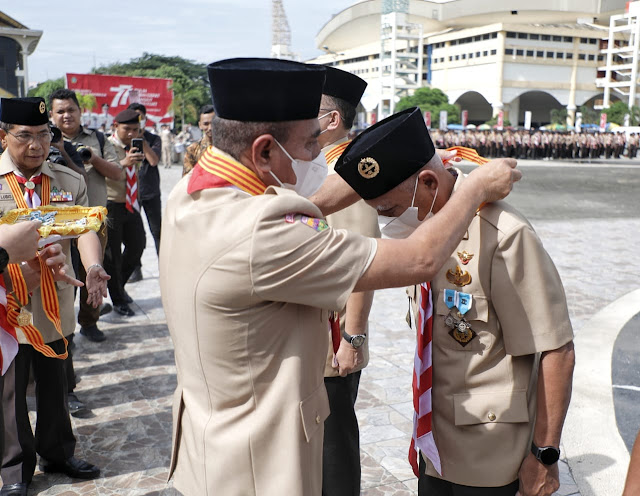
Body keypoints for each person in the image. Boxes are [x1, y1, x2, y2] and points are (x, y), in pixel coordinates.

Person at [159, 57, 521, 496]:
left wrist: (397, 161)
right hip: (258, 465)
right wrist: (476, 188)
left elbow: (302, 204)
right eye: (312, 144)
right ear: (266, 151)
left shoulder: (194, 192)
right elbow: (419, 259)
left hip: (212, 442)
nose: (318, 157)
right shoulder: (260, 234)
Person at [333, 107, 575, 496]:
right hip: (433, 444)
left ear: (428, 182)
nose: (385, 223)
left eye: (389, 211)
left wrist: (544, 455)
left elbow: (556, 350)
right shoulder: (422, 233)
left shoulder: (502, 235)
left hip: (490, 455)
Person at [0, 97, 109, 496]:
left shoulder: (69, 181)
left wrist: (93, 266)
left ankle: (58, 452)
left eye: (44, 136)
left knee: (54, 383)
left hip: (54, 302)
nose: (36, 146)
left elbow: (85, 230)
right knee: (10, 390)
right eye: (25, 136)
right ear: (3, 135)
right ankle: (14, 470)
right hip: (7, 305)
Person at [315, 66, 376, 496]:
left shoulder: (348, 172)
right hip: (311, 332)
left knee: (333, 449)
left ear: (332, 119)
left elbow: (363, 263)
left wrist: (351, 339)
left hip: (333, 338)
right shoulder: (318, 167)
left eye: (308, 112)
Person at [50, 88, 123, 342]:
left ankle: (90, 322)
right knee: (63, 276)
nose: (66, 115)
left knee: (93, 270)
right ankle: (63, 328)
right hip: (58, 223)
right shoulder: (42, 140)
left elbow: (117, 174)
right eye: (60, 111)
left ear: (80, 112)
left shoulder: (99, 138)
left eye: (71, 109)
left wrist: (92, 157)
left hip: (94, 219)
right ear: (51, 115)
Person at [104, 109, 147, 317]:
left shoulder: (135, 145)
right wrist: (123, 163)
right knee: (113, 257)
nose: (131, 133)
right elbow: (101, 171)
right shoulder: (106, 145)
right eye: (127, 129)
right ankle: (118, 299)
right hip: (110, 204)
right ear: (115, 126)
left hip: (130, 204)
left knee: (138, 245)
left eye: (135, 129)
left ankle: (118, 287)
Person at [126, 103, 162, 282]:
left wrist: (143, 141)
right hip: (131, 193)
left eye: (140, 118)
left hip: (151, 191)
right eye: (134, 119)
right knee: (134, 236)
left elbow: (154, 161)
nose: (137, 122)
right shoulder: (123, 140)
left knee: (158, 231)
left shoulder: (154, 138)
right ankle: (136, 269)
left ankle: (165, 267)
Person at [183, 105, 214, 176]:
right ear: (200, 125)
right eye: (206, 124)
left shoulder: (230, 148)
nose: (210, 128)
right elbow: (187, 179)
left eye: (213, 123)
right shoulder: (192, 150)